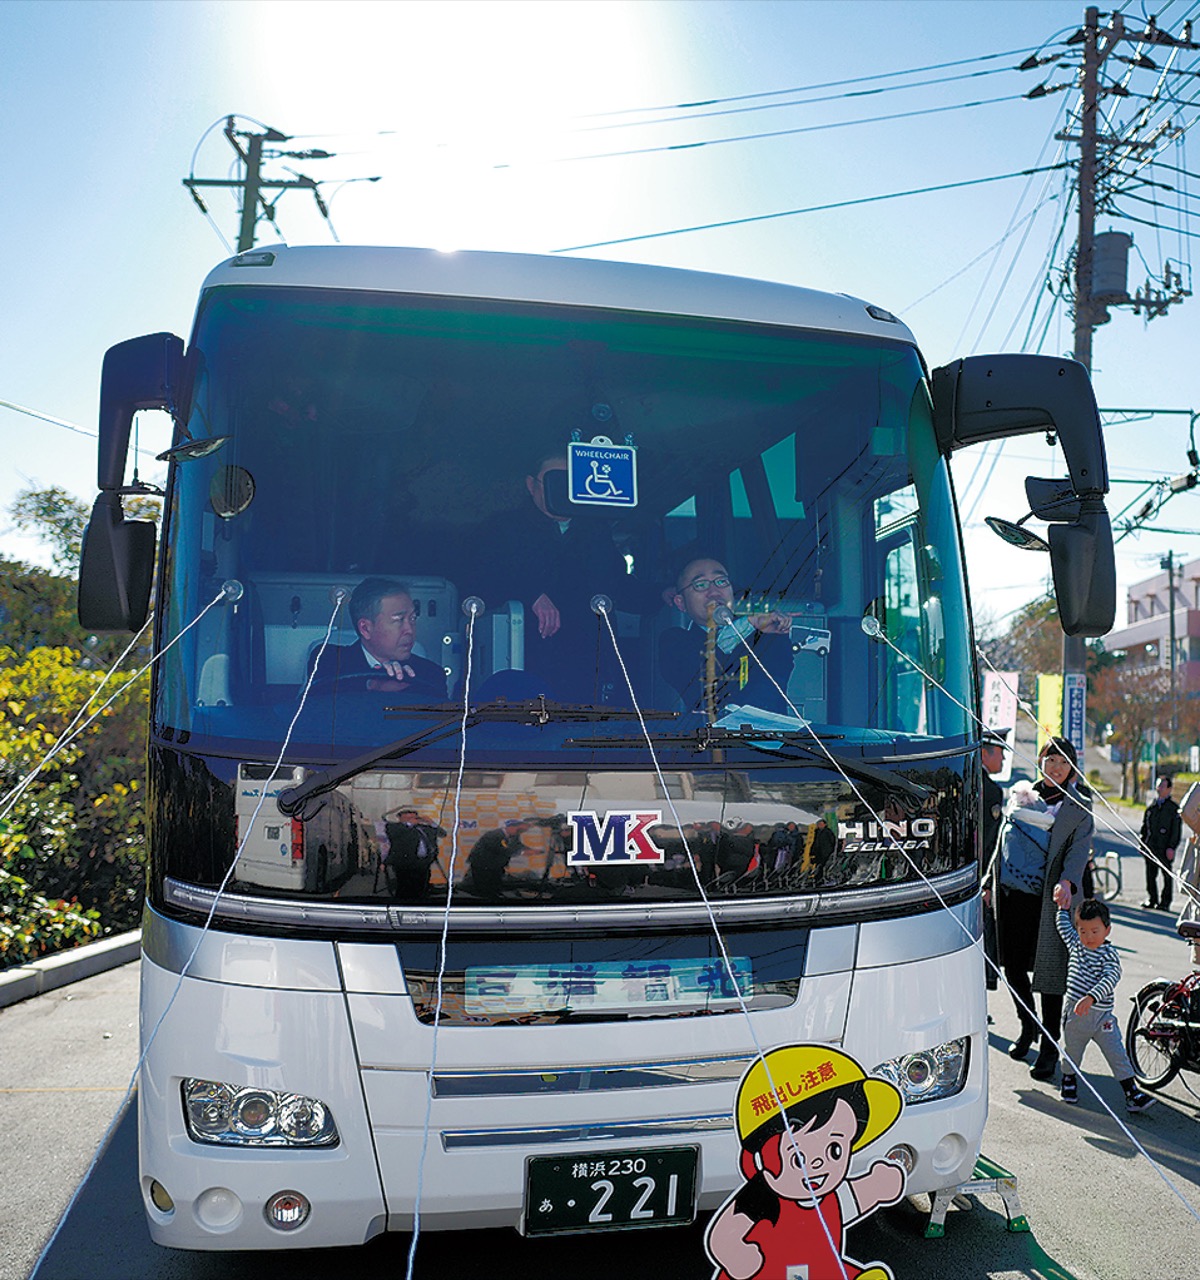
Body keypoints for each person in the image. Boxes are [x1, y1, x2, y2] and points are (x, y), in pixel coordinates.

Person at [705, 1044, 905, 1280]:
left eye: (835, 1149)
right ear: (762, 1157)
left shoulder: (832, 1197)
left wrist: (877, 1186)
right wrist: (737, 1255)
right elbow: (724, 1236)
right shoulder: (760, 1198)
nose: (819, 1163)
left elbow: (854, 1198)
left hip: (821, 1270)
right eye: (798, 1157)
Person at [481, 454, 647, 699]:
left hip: (586, 661)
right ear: (531, 485)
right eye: (554, 481)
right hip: (524, 656)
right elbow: (483, 579)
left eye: (570, 482)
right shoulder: (502, 528)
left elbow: (616, 585)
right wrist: (531, 595)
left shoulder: (596, 532)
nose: (562, 489)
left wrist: (668, 593)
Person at [994, 737, 1093, 1083]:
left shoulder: (1078, 808)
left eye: (1064, 763)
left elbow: (1078, 854)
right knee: (1013, 968)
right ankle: (1028, 1026)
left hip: (1052, 899)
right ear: (1041, 760)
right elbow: (1000, 844)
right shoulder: (1020, 795)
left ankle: (1050, 1048)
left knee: (1050, 975)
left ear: (1072, 769)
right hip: (1013, 896)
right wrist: (989, 883)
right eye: (1051, 760)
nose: (1056, 768)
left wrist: (1066, 883)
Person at [1051, 884, 1155, 1112]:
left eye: (1095, 931)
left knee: (1116, 1053)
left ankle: (1131, 1091)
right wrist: (1061, 908)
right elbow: (1063, 928)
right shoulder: (1076, 944)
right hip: (1075, 1015)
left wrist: (1091, 997)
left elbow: (1111, 977)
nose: (1088, 937)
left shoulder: (1109, 954)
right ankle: (1068, 1080)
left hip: (1101, 1017)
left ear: (1107, 930)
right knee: (1072, 1050)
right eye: (1083, 931)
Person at [659, 557, 794, 715]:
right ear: (681, 603)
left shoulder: (766, 634)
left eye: (721, 582)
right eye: (700, 585)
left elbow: (770, 695)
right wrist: (747, 625)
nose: (714, 592)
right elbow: (702, 683)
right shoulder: (674, 641)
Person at [310, 577, 447, 698]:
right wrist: (373, 685)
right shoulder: (329, 660)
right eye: (399, 620)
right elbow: (318, 700)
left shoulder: (431, 674)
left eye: (412, 618)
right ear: (365, 628)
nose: (410, 630)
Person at [1139, 775, 1181, 911]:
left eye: (1162, 786)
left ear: (1169, 789)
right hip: (1151, 845)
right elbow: (1145, 827)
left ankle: (1165, 902)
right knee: (1150, 875)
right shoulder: (1152, 806)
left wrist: (1171, 847)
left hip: (1165, 847)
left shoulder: (1173, 808)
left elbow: (1176, 831)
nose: (1159, 788)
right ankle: (1152, 899)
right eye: (1158, 785)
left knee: (1166, 875)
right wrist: (1142, 843)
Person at [382, 808, 441, 901]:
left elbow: (441, 833)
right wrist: (409, 824)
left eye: (414, 816)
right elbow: (395, 834)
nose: (412, 819)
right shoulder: (394, 827)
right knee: (405, 888)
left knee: (421, 888)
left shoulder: (423, 828)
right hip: (404, 863)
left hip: (422, 863)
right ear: (400, 818)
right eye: (407, 817)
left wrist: (431, 822)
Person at [463, 819, 529, 898]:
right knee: (485, 890)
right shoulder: (494, 835)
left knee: (496, 888)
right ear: (510, 827)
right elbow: (501, 849)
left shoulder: (513, 837)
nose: (519, 832)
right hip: (483, 867)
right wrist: (521, 852)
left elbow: (518, 846)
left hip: (496, 868)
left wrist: (531, 850)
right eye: (518, 829)